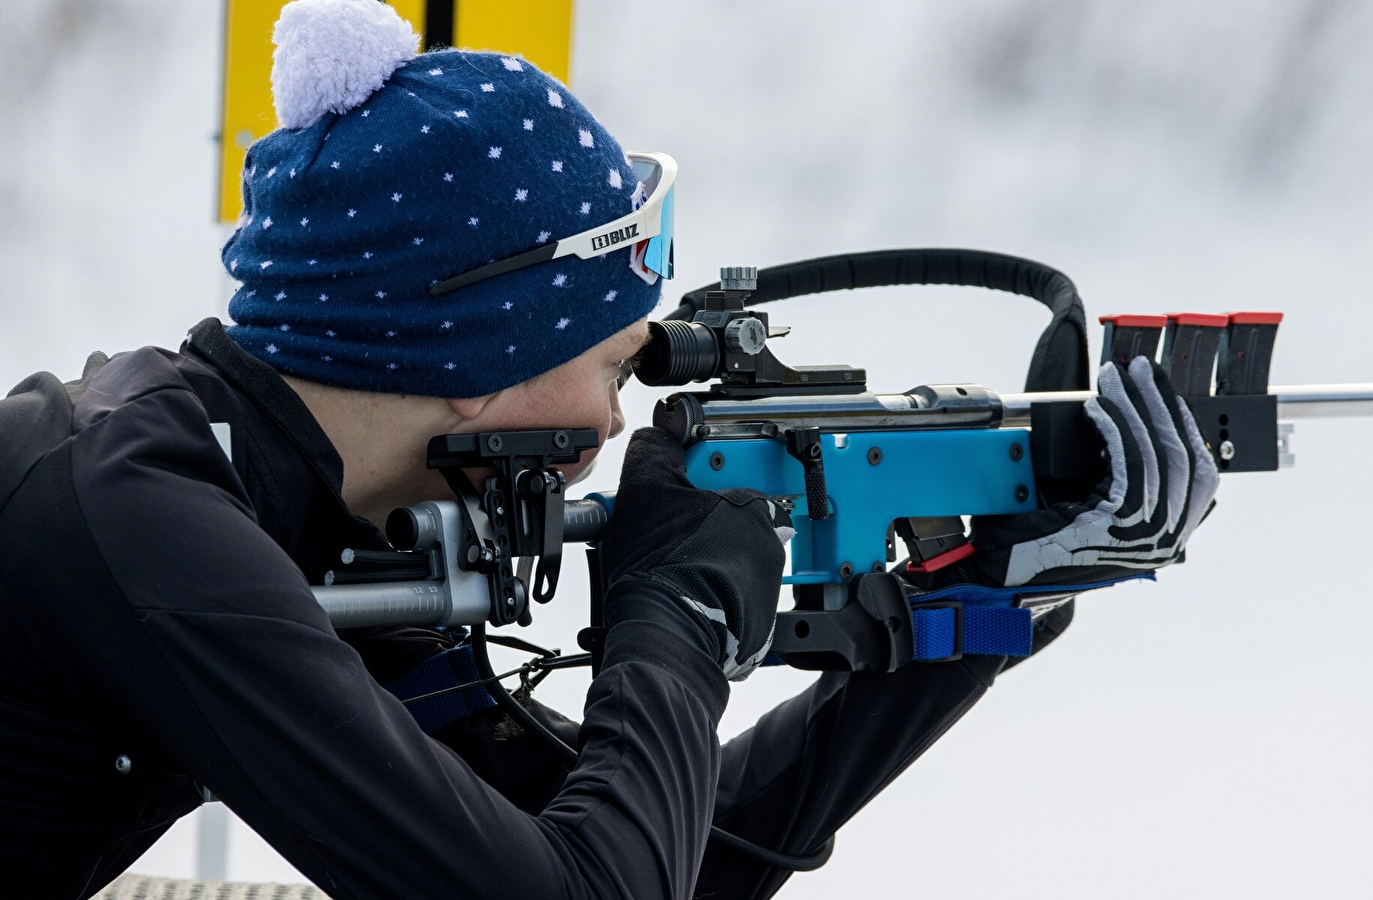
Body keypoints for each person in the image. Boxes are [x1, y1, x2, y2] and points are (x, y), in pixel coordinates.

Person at [0, 2, 1218, 898]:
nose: (619, 425)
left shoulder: (304, 507)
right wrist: (675, 617)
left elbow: (677, 856)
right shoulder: (142, 517)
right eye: (618, 366)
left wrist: (981, 610)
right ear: (475, 365)